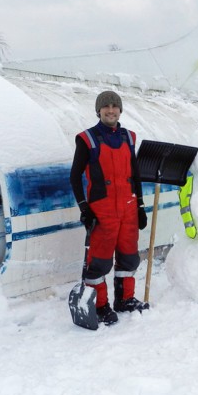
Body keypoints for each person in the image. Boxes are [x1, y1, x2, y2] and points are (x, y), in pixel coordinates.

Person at [70, 90, 149, 325]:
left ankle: (124, 299)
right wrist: (85, 208)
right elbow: (75, 177)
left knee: (129, 258)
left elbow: (135, 175)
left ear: (120, 110)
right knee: (99, 262)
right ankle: (100, 305)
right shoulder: (87, 139)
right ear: (99, 110)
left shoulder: (129, 137)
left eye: (115, 106)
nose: (111, 110)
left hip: (128, 208)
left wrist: (141, 206)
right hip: (102, 211)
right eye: (106, 106)